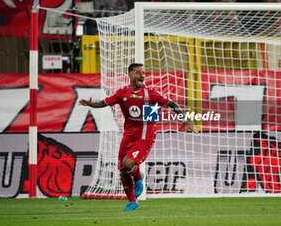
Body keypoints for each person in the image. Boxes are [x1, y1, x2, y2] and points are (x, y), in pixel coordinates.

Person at [79, 63, 198, 211]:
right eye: (137, 72)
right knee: (122, 169)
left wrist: (185, 121)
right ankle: (132, 201)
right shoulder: (123, 93)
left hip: (145, 137)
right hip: (128, 136)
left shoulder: (151, 93)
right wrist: (92, 104)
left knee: (128, 164)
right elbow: (104, 103)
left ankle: (138, 178)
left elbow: (172, 104)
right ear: (129, 75)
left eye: (143, 72)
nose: (142, 75)